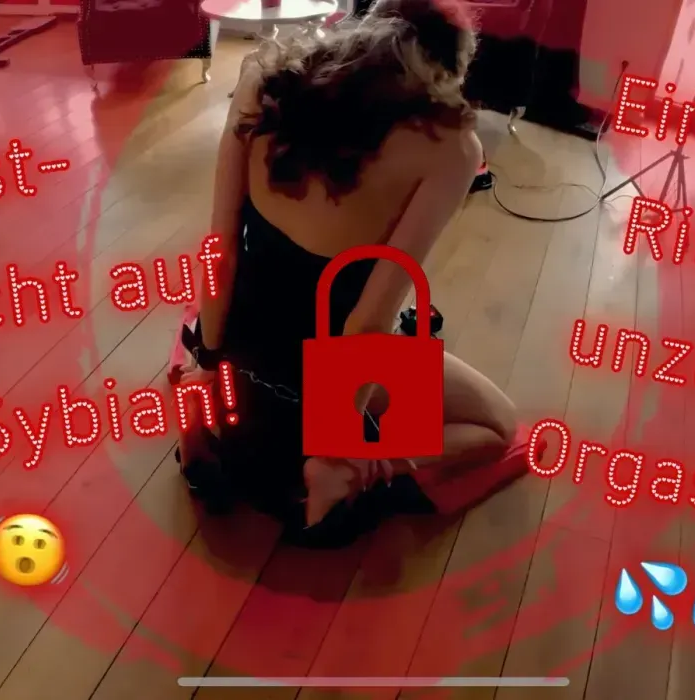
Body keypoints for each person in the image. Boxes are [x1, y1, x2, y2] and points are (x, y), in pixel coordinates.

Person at [175, 0, 522, 547]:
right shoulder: (451, 148)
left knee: (223, 321)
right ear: (446, 70)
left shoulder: (263, 78)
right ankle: (355, 470)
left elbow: (220, 252)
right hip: (317, 382)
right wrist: (334, 448)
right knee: (497, 424)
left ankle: (202, 406)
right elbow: (366, 323)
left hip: (241, 344)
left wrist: (210, 362)